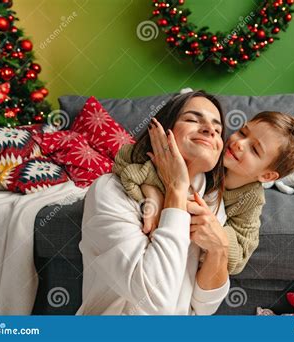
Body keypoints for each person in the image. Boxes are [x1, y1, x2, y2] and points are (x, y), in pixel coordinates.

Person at [77, 90, 230, 315]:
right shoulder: (111, 190)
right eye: (191, 119)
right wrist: (175, 189)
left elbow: (205, 307)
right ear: (160, 132)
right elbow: (157, 302)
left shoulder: (210, 201)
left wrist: (219, 249)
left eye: (217, 130)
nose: (209, 129)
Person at [114, 111, 294, 274]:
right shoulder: (211, 154)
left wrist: (213, 228)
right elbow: (126, 157)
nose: (240, 143)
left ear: (266, 176)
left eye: (255, 149)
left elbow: (239, 257)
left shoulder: (251, 199)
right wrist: (153, 194)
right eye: (242, 132)